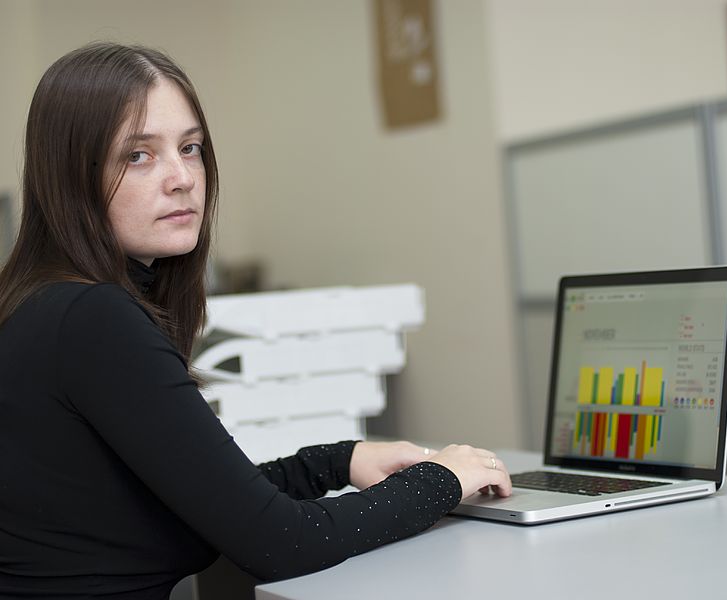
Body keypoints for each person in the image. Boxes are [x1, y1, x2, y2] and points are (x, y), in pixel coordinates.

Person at [0, 42, 512, 599]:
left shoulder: (43, 303)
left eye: (190, 148)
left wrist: (339, 461)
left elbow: (209, 499)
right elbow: (279, 543)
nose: (182, 177)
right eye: (138, 155)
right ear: (70, 175)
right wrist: (443, 479)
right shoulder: (92, 318)